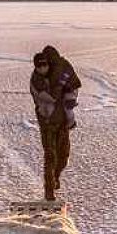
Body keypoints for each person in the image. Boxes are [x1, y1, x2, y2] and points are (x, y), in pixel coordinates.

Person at [30, 45, 81, 201]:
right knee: (50, 156)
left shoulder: (57, 73)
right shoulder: (36, 80)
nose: (43, 68)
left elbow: (74, 84)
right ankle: (49, 190)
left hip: (62, 122)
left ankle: (56, 177)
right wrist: (60, 85)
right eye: (39, 65)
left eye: (45, 64)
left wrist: (68, 94)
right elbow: (49, 97)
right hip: (48, 123)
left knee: (64, 156)